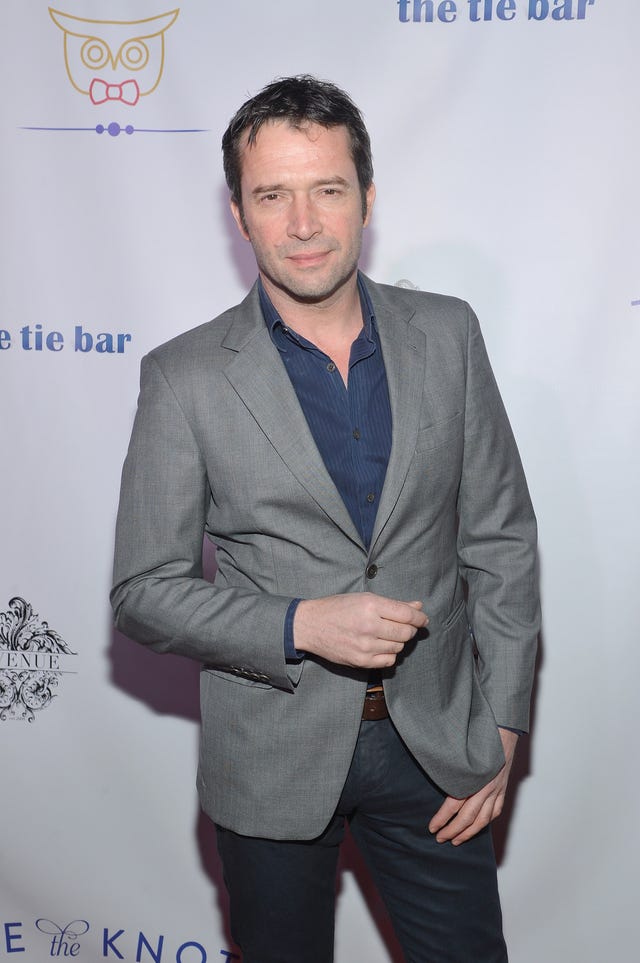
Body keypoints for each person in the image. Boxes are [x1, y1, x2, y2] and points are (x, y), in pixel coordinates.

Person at [111, 74, 540, 963]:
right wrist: (300, 623)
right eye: (273, 195)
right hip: (270, 758)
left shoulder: (448, 335)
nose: (303, 223)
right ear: (239, 213)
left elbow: (500, 538)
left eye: (328, 189)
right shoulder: (185, 377)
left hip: (438, 745)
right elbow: (143, 590)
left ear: (368, 198)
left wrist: (502, 723)